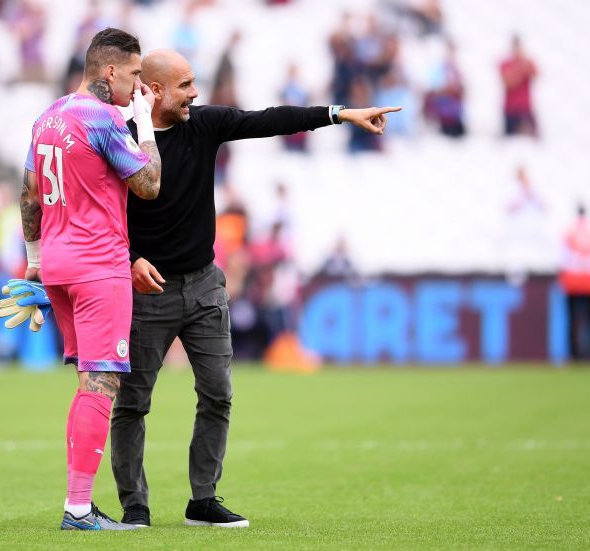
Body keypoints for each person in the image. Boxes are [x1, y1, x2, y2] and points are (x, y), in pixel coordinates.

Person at [111, 49, 400, 528]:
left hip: (204, 286)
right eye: (185, 84)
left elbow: (269, 120)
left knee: (219, 392)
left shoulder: (203, 125)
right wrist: (128, 261)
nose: (196, 93)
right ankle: (134, 507)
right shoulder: (117, 138)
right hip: (146, 292)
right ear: (156, 90)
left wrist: (340, 114)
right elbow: (96, 216)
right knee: (133, 402)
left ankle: (203, 499)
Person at [19, 27, 161, 531]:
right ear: (109, 71)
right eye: (135, 75)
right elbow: (148, 184)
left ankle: (80, 504)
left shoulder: (47, 117)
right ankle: (78, 509)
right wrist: (143, 122)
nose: (137, 86)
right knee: (101, 384)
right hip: (98, 266)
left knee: (87, 384)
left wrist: (34, 260)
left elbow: (30, 194)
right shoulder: (103, 120)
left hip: (57, 266)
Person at [558, 205, 590, 361]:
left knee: (572, 319)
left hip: (572, 280)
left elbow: (562, 257)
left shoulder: (569, 231)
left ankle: (573, 353)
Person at [499, 35, 538, 137]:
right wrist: (520, 70)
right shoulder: (506, 63)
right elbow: (507, 83)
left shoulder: (527, 62)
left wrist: (524, 66)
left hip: (525, 108)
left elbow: (537, 75)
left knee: (531, 139)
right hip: (511, 109)